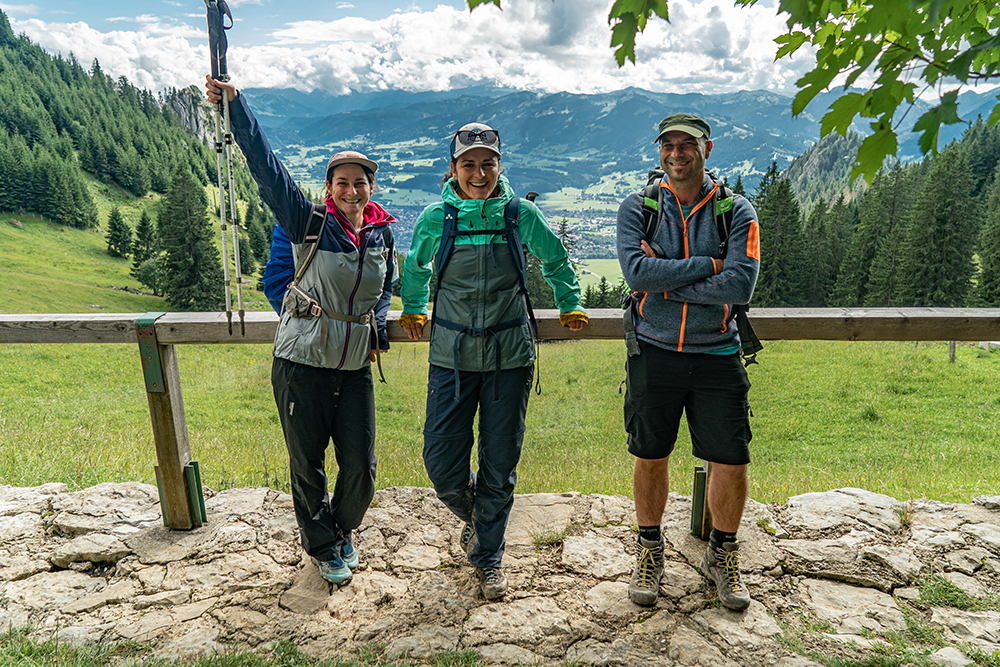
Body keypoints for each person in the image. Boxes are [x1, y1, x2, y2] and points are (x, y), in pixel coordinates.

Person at [205, 76, 396, 586]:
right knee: (306, 463)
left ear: (370, 188)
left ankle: (341, 527)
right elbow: (267, 171)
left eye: (361, 182)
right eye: (342, 182)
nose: (352, 190)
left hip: (354, 366)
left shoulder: (382, 235)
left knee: (360, 468)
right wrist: (236, 110)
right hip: (301, 363)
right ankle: (323, 545)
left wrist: (377, 324)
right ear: (329, 187)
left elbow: (383, 291)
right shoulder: (305, 219)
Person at [398, 123, 588, 600]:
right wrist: (415, 307)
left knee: (499, 465)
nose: (479, 173)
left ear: (500, 165)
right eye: (469, 164)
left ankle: (488, 558)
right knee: (441, 465)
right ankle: (484, 524)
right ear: (453, 168)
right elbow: (415, 267)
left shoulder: (518, 214)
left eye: (488, 163)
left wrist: (570, 301)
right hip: (451, 357)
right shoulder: (436, 218)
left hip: (510, 357)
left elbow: (556, 259)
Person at [616, 113, 761, 611]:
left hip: (717, 352)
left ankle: (722, 554)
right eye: (668, 145)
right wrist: (709, 266)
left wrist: (666, 277)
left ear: (707, 148)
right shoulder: (637, 206)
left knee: (731, 459)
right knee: (650, 454)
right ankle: (650, 548)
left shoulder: (736, 211)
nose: (676, 153)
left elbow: (741, 284)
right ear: (659, 151)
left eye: (687, 145)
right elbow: (635, 272)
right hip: (653, 349)